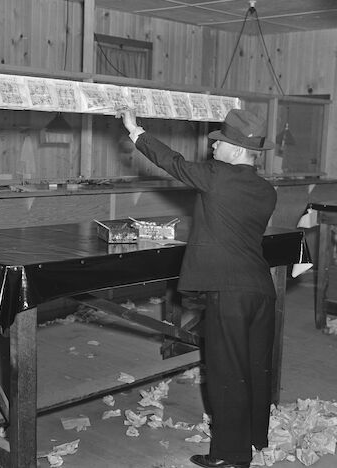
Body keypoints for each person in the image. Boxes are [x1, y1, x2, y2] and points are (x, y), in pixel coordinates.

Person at [115, 107, 277, 468]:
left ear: (235, 151)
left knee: (226, 373)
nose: (212, 149)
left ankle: (231, 457)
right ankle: (252, 439)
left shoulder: (217, 177)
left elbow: (171, 161)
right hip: (261, 291)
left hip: (229, 292)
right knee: (255, 367)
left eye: (218, 144)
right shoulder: (267, 191)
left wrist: (135, 130)